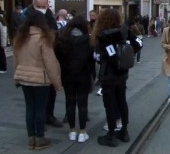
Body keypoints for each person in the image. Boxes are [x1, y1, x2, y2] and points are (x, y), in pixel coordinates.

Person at [13, 11, 62, 150]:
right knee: (40, 109)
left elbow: (16, 60)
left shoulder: (20, 37)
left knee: (30, 108)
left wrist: (16, 76)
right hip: (41, 79)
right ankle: (40, 138)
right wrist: (57, 83)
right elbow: (50, 62)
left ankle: (31, 139)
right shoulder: (43, 38)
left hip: (24, 77)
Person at [21, 0, 63, 128]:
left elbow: (55, 39)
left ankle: (47, 117)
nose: (41, 9)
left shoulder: (50, 17)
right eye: (38, 7)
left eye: (43, 7)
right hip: (32, 65)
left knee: (49, 95)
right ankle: (38, 131)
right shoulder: (26, 18)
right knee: (35, 103)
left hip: (45, 64)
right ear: (34, 5)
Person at [92, 9, 131, 147]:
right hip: (122, 74)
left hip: (109, 75)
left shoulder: (104, 36)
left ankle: (111, 135)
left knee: (109, 105)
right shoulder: (123, 31)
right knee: (122, 102)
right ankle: (124, 132)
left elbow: (107, 55)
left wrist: (103, 56)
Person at [55, 15, 95, 143]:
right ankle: (82, 132)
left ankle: (72, 131)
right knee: (83, 103)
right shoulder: (88, 41)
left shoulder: (62, 40)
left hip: (67, 75)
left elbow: (58, 59)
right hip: (83, 75)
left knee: (70, 102)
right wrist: (93, 76)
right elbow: (92, 61)